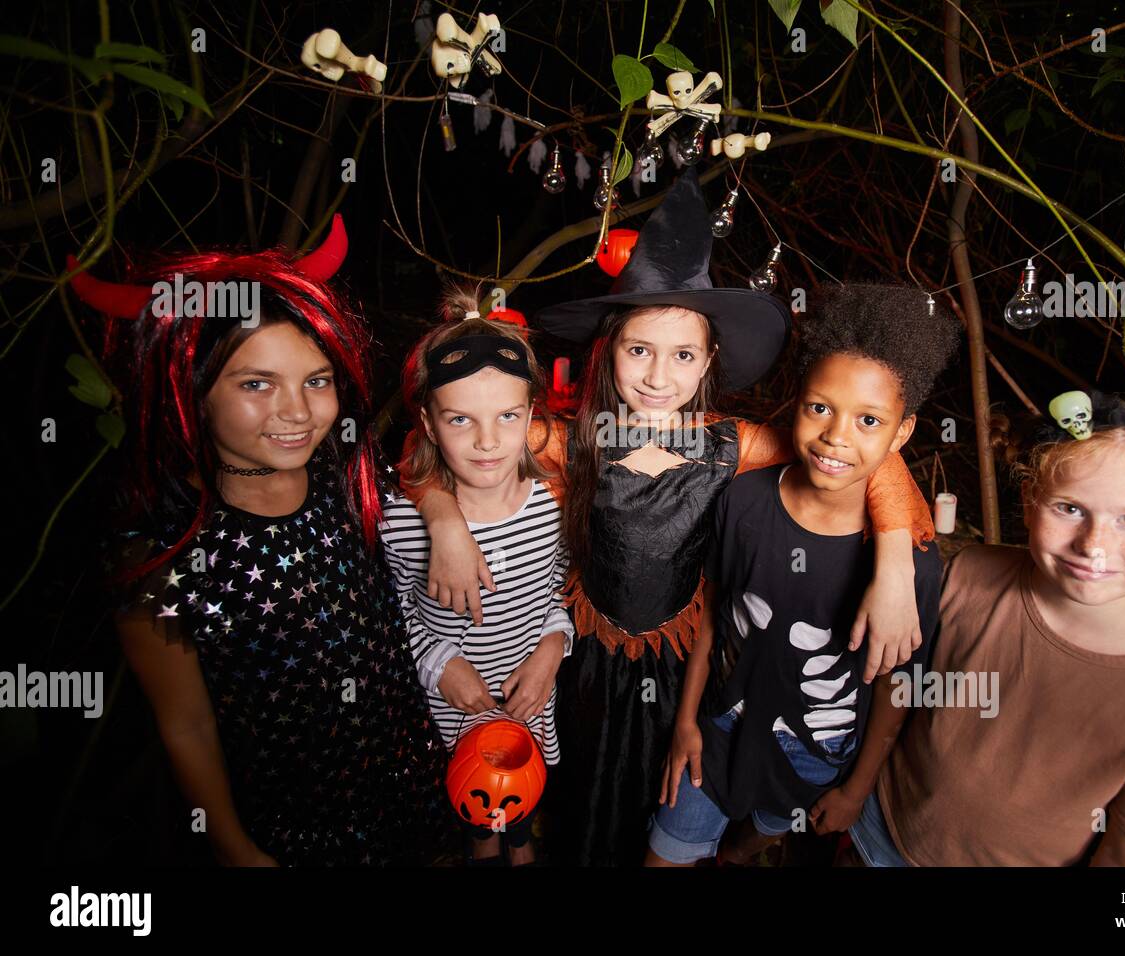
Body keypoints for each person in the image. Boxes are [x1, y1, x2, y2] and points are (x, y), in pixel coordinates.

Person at [409, 171, 937, 865]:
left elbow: (850, 453)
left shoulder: (734, 445)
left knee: (662, 803)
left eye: (683, 355)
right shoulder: (572, 438)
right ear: (609, 348)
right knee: (580, 800)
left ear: (709, 358)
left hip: (684, 665)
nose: (659, 377)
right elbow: (432, 447)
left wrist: (896, 559)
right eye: (639, 351)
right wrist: (442, 518)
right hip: (587, 658)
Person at [82, 218, 445, 866]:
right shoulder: (157, 558)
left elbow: (422, 486)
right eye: (257, 384)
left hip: (408, 782)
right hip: (297, 826)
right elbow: (186, 724)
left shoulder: (347, 472)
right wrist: (232, 845)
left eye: (316, 379)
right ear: (192, 391)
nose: (299, 412)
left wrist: (444, 523)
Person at [850, 390, 1125, 866]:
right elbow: (899, 683)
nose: (1094, 546)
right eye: (1070, 508)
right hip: (877, 823)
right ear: (1029, 499)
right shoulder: (970, 575)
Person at [646, 283, 959, 865]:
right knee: (667, 850)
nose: (837, 437)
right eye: (820, 408)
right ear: (797, 402)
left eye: (870, 420)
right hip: (719, 726)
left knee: (751, 843)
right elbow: (712, 616)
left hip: (814, 750)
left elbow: (896, 685)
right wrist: (686, 722)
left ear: (903, 432)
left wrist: (856, 788)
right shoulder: (742, 500)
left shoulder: (909, 564)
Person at [382, 292, 573, 865]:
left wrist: (551, 650)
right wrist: (440, 665)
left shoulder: (553, 501)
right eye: (460, 419)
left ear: (532, 415)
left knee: (523, 801)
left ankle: (521, 842)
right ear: (428, 424)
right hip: (451, 705)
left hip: (529, 697)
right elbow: (392, 619)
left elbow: (560, 589)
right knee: (474, 814)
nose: (487, 442)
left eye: (507, 417)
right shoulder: (403, 522)